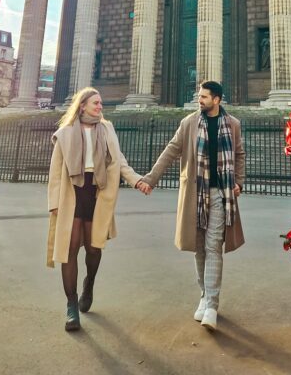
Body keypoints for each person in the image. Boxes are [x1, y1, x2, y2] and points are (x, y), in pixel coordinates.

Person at [141, 80, 245, 331]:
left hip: (220, 194)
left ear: (217, 99)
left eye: (205, 97)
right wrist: (150, 178)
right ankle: (204, 294)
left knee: (213, 246)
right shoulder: (188, 123)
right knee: (199, 247)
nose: (200, 100)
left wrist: (239, 181)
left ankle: (211, 304)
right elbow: (171, 150)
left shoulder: (233, 125)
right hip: (195, 195)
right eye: (199, 96)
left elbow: (239, 154)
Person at [47, 87, 149, 331]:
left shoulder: (107, 129)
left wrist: (137, 180)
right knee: (69, 250)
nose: (100, 106)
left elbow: (119, 161)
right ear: (82, 105)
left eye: (101, 103)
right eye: (96, 102)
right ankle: (71, 306)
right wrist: (54, 204)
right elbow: (55, 171)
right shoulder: (65, 133)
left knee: (94, 249)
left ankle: (89, 282)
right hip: (72, 193)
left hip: (97, 192)